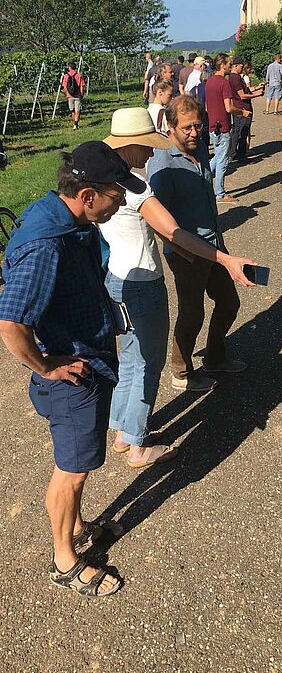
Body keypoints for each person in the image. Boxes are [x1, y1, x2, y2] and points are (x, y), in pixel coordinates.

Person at [0, 141, 148, 597]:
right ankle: (64, 561)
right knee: (73, 470)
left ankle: (77, 524)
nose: (122, 200)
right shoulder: (47, 247)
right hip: (74, 374)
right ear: (86, 195)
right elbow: (10, 323)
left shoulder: (64, 216)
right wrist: (47, 366)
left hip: (87, 359)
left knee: (77, 461)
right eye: (115, 193)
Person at [100, 108, 255, 458]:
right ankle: (138, 444)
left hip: (118, 277)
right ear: (132, 143)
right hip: (143, 282)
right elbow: (172, 230)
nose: (152, 152)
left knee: (129, 357)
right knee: (148, 364)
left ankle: (123, 431)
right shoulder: (135, 188)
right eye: (147, 146)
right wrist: (224, 259)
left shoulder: (100, 182)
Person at [148, 95, 250, 390]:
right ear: (170, 127)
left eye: (198, 126)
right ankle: (180, 370)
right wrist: (183, 253)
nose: (195, 133)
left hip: (214, 244)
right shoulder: (162, 166)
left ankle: (215, 357)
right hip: (187, 253)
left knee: (229, 302)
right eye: (187, 128)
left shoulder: (200, 150)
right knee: (192, 313)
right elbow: (158, 222)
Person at [205, 53, 251, 204]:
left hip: (213, 125)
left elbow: (207, 106)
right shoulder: (224, 83)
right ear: (222, 65)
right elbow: (229, 107)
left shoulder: (209, 82)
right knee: (223, 160)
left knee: (217, 157)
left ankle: (201, 178)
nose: (230, 66)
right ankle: (220, 193)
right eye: (229, 63)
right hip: (223, 126)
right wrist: (242, 112)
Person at [228, 57, 264, 161]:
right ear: (236, 66)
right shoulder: (236, 78)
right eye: (241, 66)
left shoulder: (234, 77)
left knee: (237, 131)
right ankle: (240, 156)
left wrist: (256, 88)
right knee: (242, 133)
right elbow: (242, 95)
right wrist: (256, 95)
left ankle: (234, 153)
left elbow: (245, 90)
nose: (242, 68)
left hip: (239, 107)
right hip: (243, 108)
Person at [62, 61, 85, 130]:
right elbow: (82, 85)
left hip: (70, 96)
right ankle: (76, 124)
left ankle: (74, 123)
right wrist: (81, 93)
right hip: (77, 95)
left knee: (72, 110)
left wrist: (67, 93)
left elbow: (65, 86)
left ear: (69, 67)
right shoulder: (79, 75)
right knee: (77, 110)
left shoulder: (66, 76)